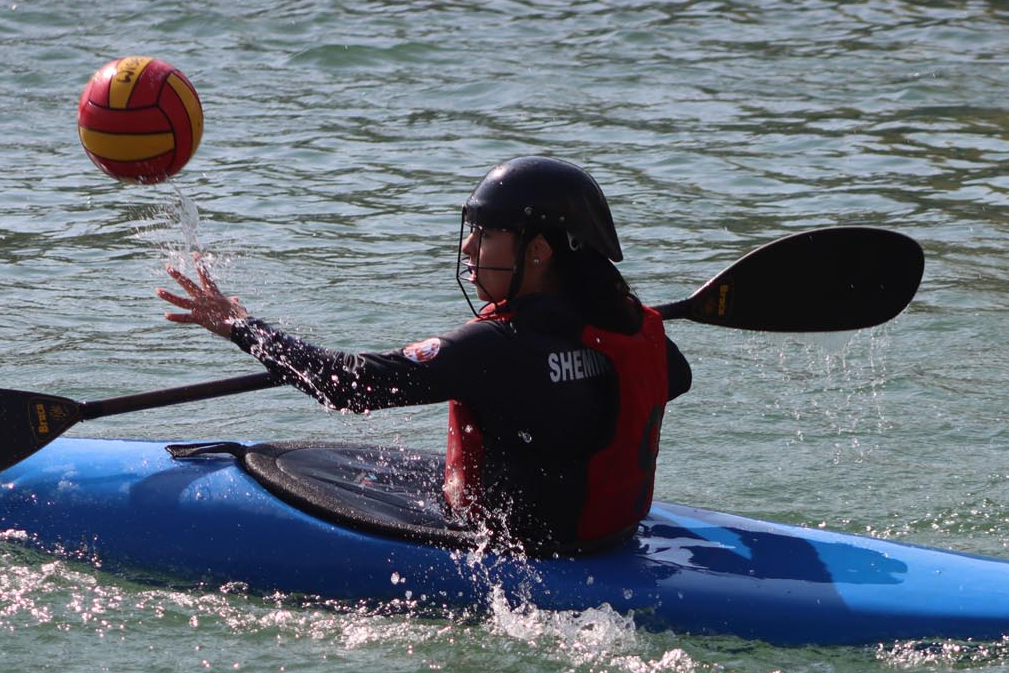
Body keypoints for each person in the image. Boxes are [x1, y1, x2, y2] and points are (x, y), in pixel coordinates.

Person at [157, 155, 691, 556]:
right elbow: (676, 377)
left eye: (487, 233)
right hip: (610, 536)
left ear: (539, 251)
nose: (468, 248)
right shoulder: (636, 327)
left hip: (527, 553)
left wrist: (240, 326)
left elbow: (349, 384)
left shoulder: (496, 347)